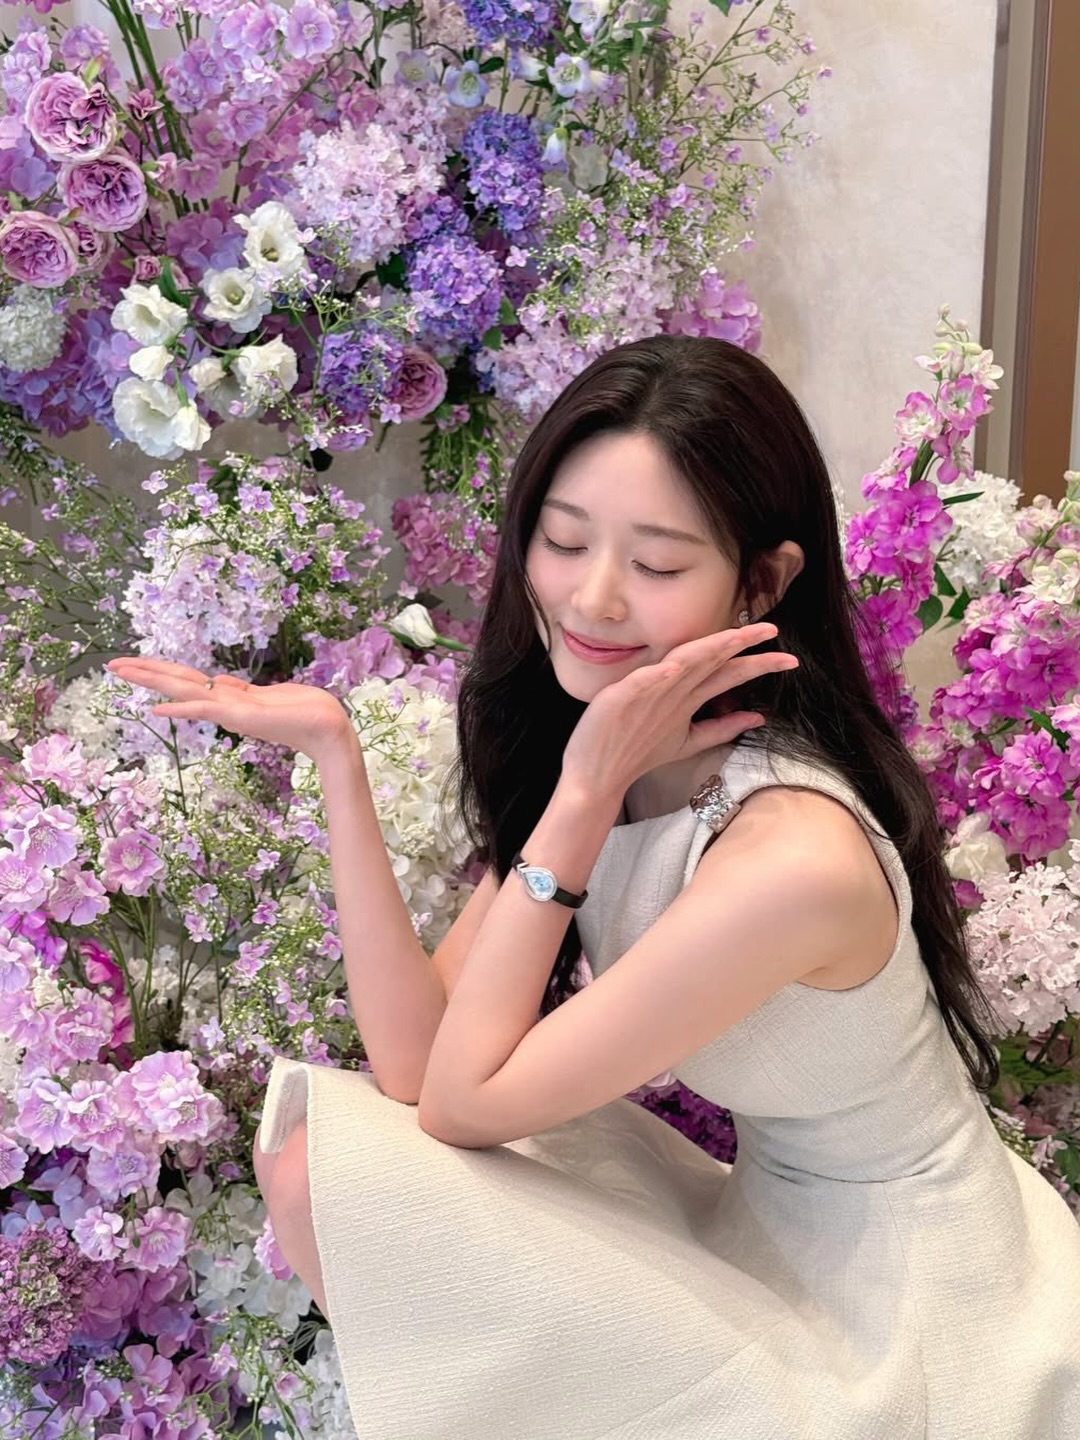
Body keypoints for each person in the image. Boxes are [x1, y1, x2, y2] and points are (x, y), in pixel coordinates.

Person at [107, 335, 1080, 1439]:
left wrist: (581, 798)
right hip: (768, 1227)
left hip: (912, 1310)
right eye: (564, 542)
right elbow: (417, 1066)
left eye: (657, 566)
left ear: (762, 582)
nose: (593, 598)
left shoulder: (789, 854)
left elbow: (462, 1105)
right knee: (320, 1168)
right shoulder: (629, 749)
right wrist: (337, 755)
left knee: (335, 1183)